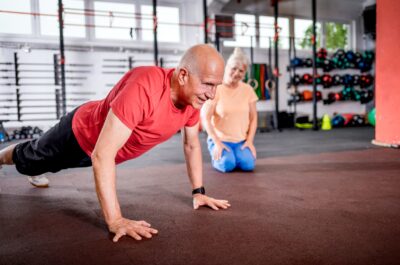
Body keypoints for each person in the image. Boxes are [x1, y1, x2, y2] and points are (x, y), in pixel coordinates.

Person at [0, 44, 231, 242]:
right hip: (78, 132)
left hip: (98, 152)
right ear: (183, 75)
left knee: (47, 165)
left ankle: (37, 168)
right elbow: (102, 155)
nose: (212, 94)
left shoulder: (192, 102)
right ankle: (2, 157)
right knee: (28, 158)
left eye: (217, 86)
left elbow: (191, 144)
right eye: (208, 84)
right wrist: (116, 220)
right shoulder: (145, 87)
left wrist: (198, 192)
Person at [201, 48, 258, 173]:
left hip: (241, 140)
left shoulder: (248, 90)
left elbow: (254, 118)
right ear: (226, 67)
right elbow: (205, 118)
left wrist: (249, 141)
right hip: (221, 139)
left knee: (248, 165)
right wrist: (216, 142)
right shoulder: (216, 89)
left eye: (241, 71)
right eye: (234, 68)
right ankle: (224, 156)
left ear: (244, 73)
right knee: (228, 165)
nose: (237, 73)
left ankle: (236, 155)